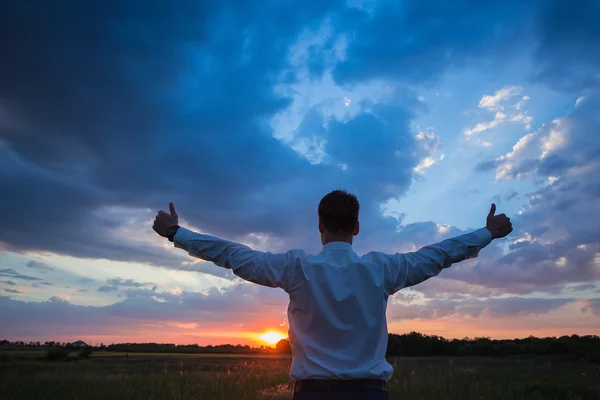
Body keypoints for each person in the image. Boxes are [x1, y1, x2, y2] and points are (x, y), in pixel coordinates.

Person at [152, 190, 512, 400]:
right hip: (370, 396)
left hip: (313, 397)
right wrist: (486, 233)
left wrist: (176, 233)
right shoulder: (382, 269)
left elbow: (236, 256)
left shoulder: (296, 268)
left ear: (320, 226)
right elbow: (436, 256)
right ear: (356, 227)